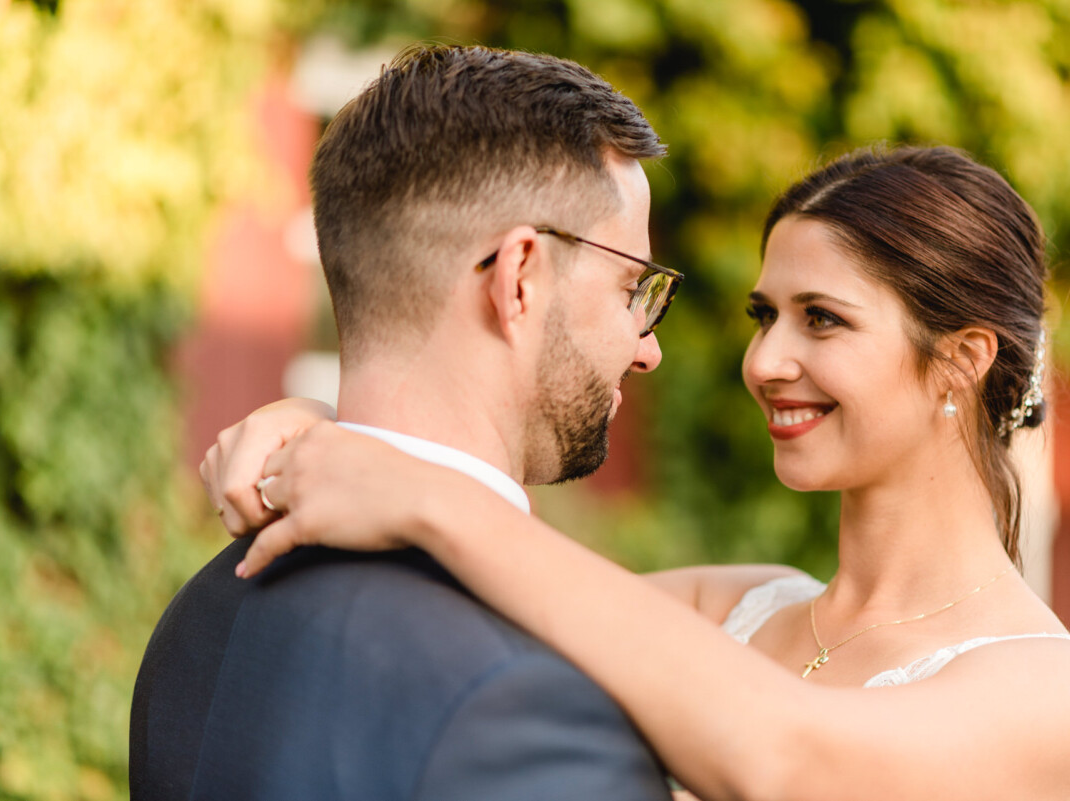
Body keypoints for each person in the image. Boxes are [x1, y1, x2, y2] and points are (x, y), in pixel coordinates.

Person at [205, 145, 1070, 801]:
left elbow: (786, 761)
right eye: (763, 314)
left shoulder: (1060, 694)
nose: (764, 361)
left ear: (964, 359)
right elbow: (452, 619)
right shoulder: (729, 606)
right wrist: (325, 426)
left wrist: (428, 494)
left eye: (823, 319)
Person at [131, 44, 683, 801]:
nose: (646, 347)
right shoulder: (533, 702)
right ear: (520, 277)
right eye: (632, 287)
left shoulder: (201, 609)